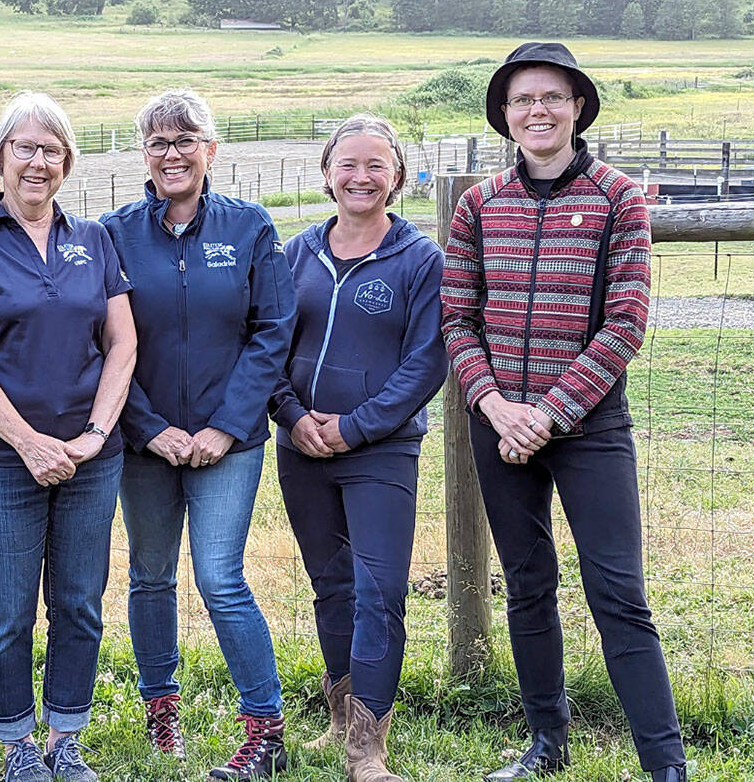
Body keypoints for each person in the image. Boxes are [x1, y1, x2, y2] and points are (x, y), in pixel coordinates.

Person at [441, 42, 687, 782]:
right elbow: (458, 318)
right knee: (527, 584)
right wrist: (492, 404)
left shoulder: (618, 198)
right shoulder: (479, 205)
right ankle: (546, 744)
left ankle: (664, 764)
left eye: (551, 97)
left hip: (589, 430)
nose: (536, 110)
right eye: (521, 100)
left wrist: (546, 413)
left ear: (577, 106)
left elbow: (626, 322)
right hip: (498, 425)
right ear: (505, 116)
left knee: (619, 593)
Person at [0, 92, 137, 782]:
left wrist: (94, 433)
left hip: (90, 458)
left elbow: (123, 343)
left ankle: (65, 739)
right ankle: (17, 745)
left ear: (67, 161)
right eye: (24, 147)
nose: (37, 162)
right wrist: (27, 442)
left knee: (79, 602)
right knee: (7, 608)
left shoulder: (95, 239)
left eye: (51, 149)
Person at [101, 88, 297, 781]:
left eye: (186, 139)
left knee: (219, 577)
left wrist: (223, 426)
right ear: (142, 154)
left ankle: (266, 729)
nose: (172, 153)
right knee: (150, 577)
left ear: (212, 149)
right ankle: (161, 715)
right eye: (157, 141)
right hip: (143, 443)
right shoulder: (114, 233)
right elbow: (105, 341)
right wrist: (150, 428)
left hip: (229, 444)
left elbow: (271, 333)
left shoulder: (249, 227)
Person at [269, 114, 447, 782]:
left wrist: (357, 426)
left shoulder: (420, 259)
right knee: (332, 586)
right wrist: (291, 415)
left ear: (396, 176)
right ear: (326, 173)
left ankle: (368, 749)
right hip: (302, 448)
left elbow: (426, 362)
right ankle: (342, 719)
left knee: (379, 590)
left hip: (381, 452)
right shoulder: (297, 254)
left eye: (376, 165)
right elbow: (270, 346)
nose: (361, 177)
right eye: (348, 164)